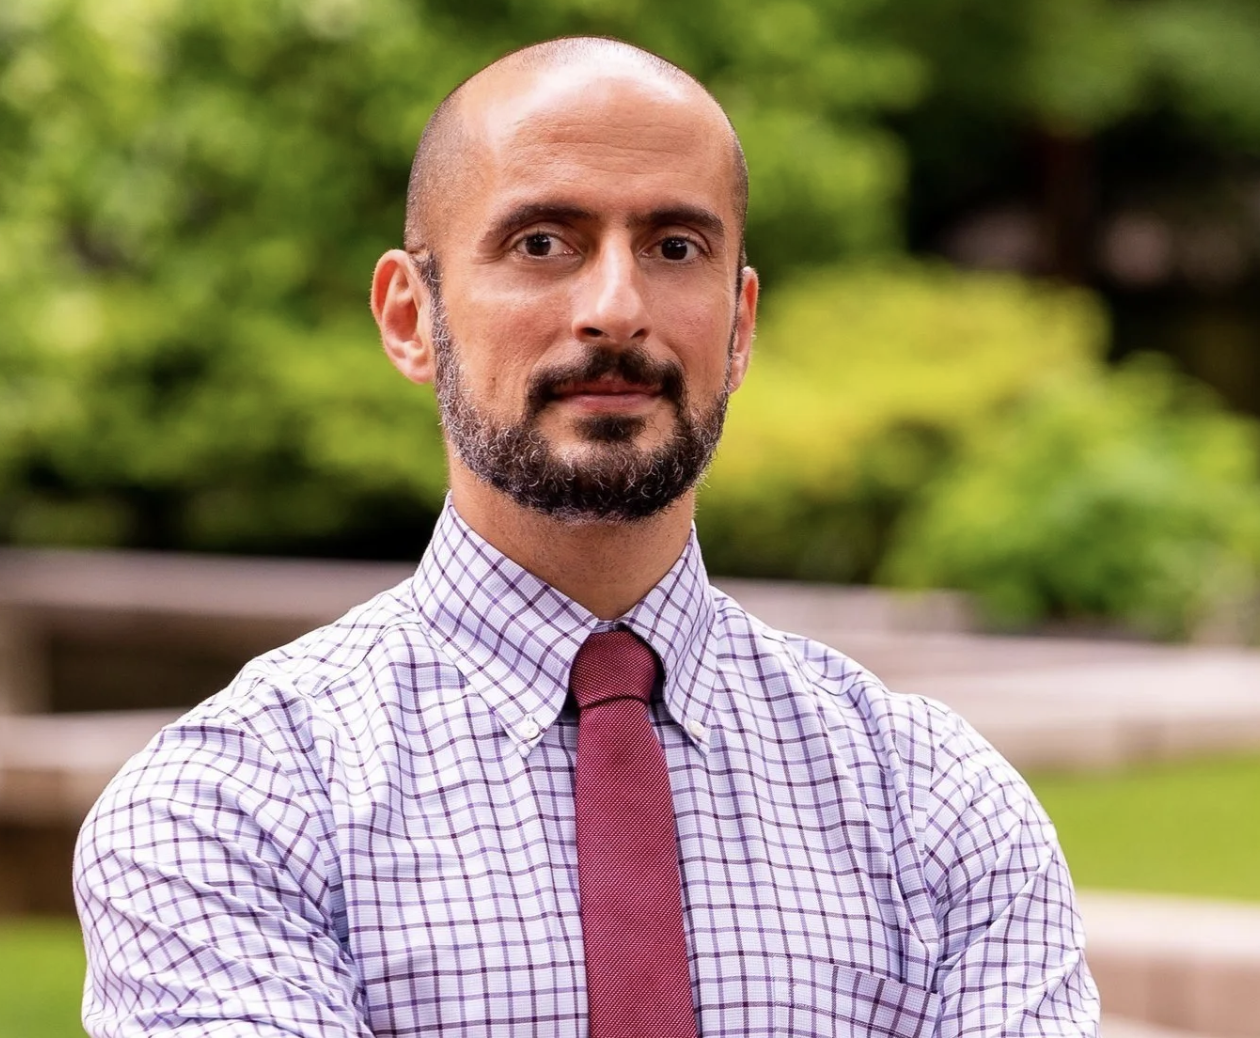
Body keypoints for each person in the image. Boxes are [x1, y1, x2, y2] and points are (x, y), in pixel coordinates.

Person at [74, 36, 1100, 1038]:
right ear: (408, 316)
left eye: (675, 248)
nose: (616, 308)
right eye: (541, 243)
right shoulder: (227, 809)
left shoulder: (936, 805)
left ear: (738, 327)